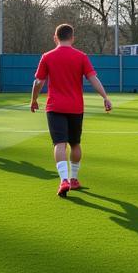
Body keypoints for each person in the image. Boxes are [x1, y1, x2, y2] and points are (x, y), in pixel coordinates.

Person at [30, 24, 112, 198]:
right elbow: (93, 78)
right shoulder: (81, 56)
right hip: (75, 107)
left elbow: (38, 82)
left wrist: (34, 100)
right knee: (75, 143)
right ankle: (73, 179)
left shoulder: (47, 57)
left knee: (59, 144)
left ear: (55, 37)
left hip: (55, 107)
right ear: (72, 37)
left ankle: (64, 180)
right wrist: (105, 97)